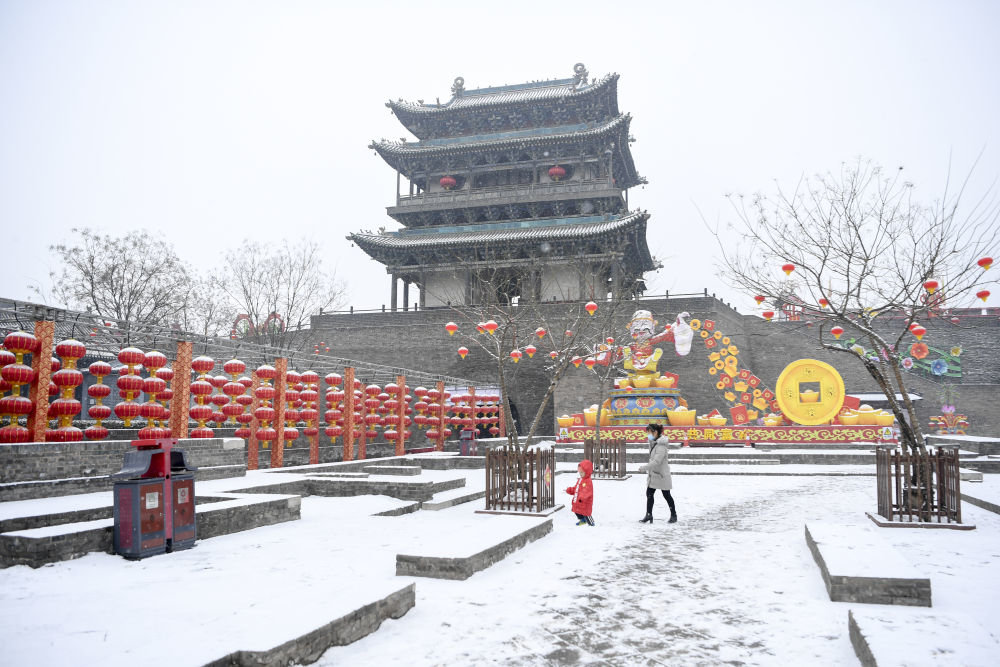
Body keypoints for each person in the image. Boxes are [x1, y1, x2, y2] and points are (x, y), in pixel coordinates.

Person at [638, 422, 677, 523]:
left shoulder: (661, 446)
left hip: (662, 475)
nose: (648, 434)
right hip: (654, 474)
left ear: (655, 432)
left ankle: (674, 515)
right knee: (649, 493)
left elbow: (656, 461)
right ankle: (649, 515)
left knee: (666, 495)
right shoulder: (654, 443)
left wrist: (644, 467)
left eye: (649, 432)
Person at [565, 459, 595, 526]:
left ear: (587, 472)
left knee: (586, 513)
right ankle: (582, 520)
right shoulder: (580, 480)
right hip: (579, 500)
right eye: (580, 472)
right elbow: (576, 488)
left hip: (585, 501)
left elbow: (587, 491)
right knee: (577, 510)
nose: (580, 474)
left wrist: (582, 497)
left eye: (582, 473)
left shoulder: (588, 481)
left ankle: (591, 523)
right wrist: (570, 490)